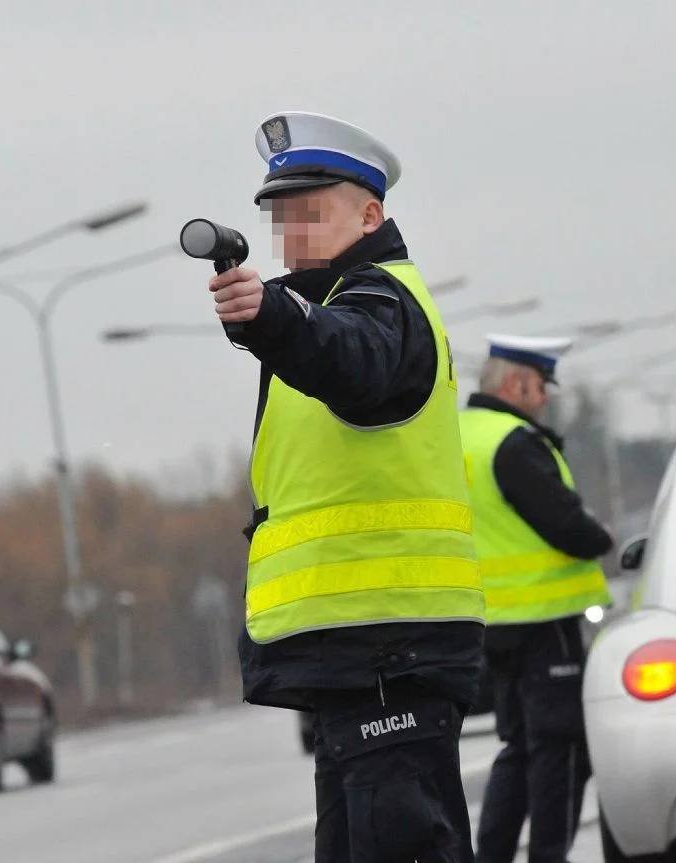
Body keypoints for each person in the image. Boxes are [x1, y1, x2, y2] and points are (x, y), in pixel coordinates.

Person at [208, 111, 485, 863]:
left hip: (390, 645)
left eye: (312, 213)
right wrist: (280, 318)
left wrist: (274, 317)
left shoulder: (381, 302)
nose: (293, 233)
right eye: (282, 219)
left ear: (371, 214)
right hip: (361, 651)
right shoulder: (332, 308)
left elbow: (350, 358)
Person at [460, 336, 614, 863]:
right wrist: (603, 537)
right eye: (539, 385)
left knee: (520, 749)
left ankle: (492, 858)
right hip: (544, 620)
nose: (545, 397)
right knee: (561, 749)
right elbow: (563, 522)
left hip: (494, 622)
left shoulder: (462, 436)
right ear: (513, 384)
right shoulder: (513, 440)